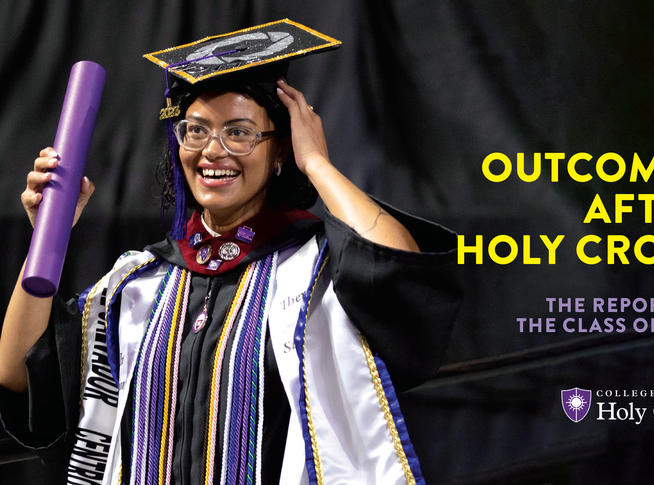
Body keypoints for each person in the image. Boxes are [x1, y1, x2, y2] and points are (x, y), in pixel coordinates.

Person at [0, 21, 460, 485]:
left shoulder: (316, 274)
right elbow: (20, 375)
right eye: (195, 130)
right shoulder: (138, 284)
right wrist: (47, 238)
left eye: (239, 133)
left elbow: (401, 271)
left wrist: (317, 163)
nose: (212, 152)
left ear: (279, 149)